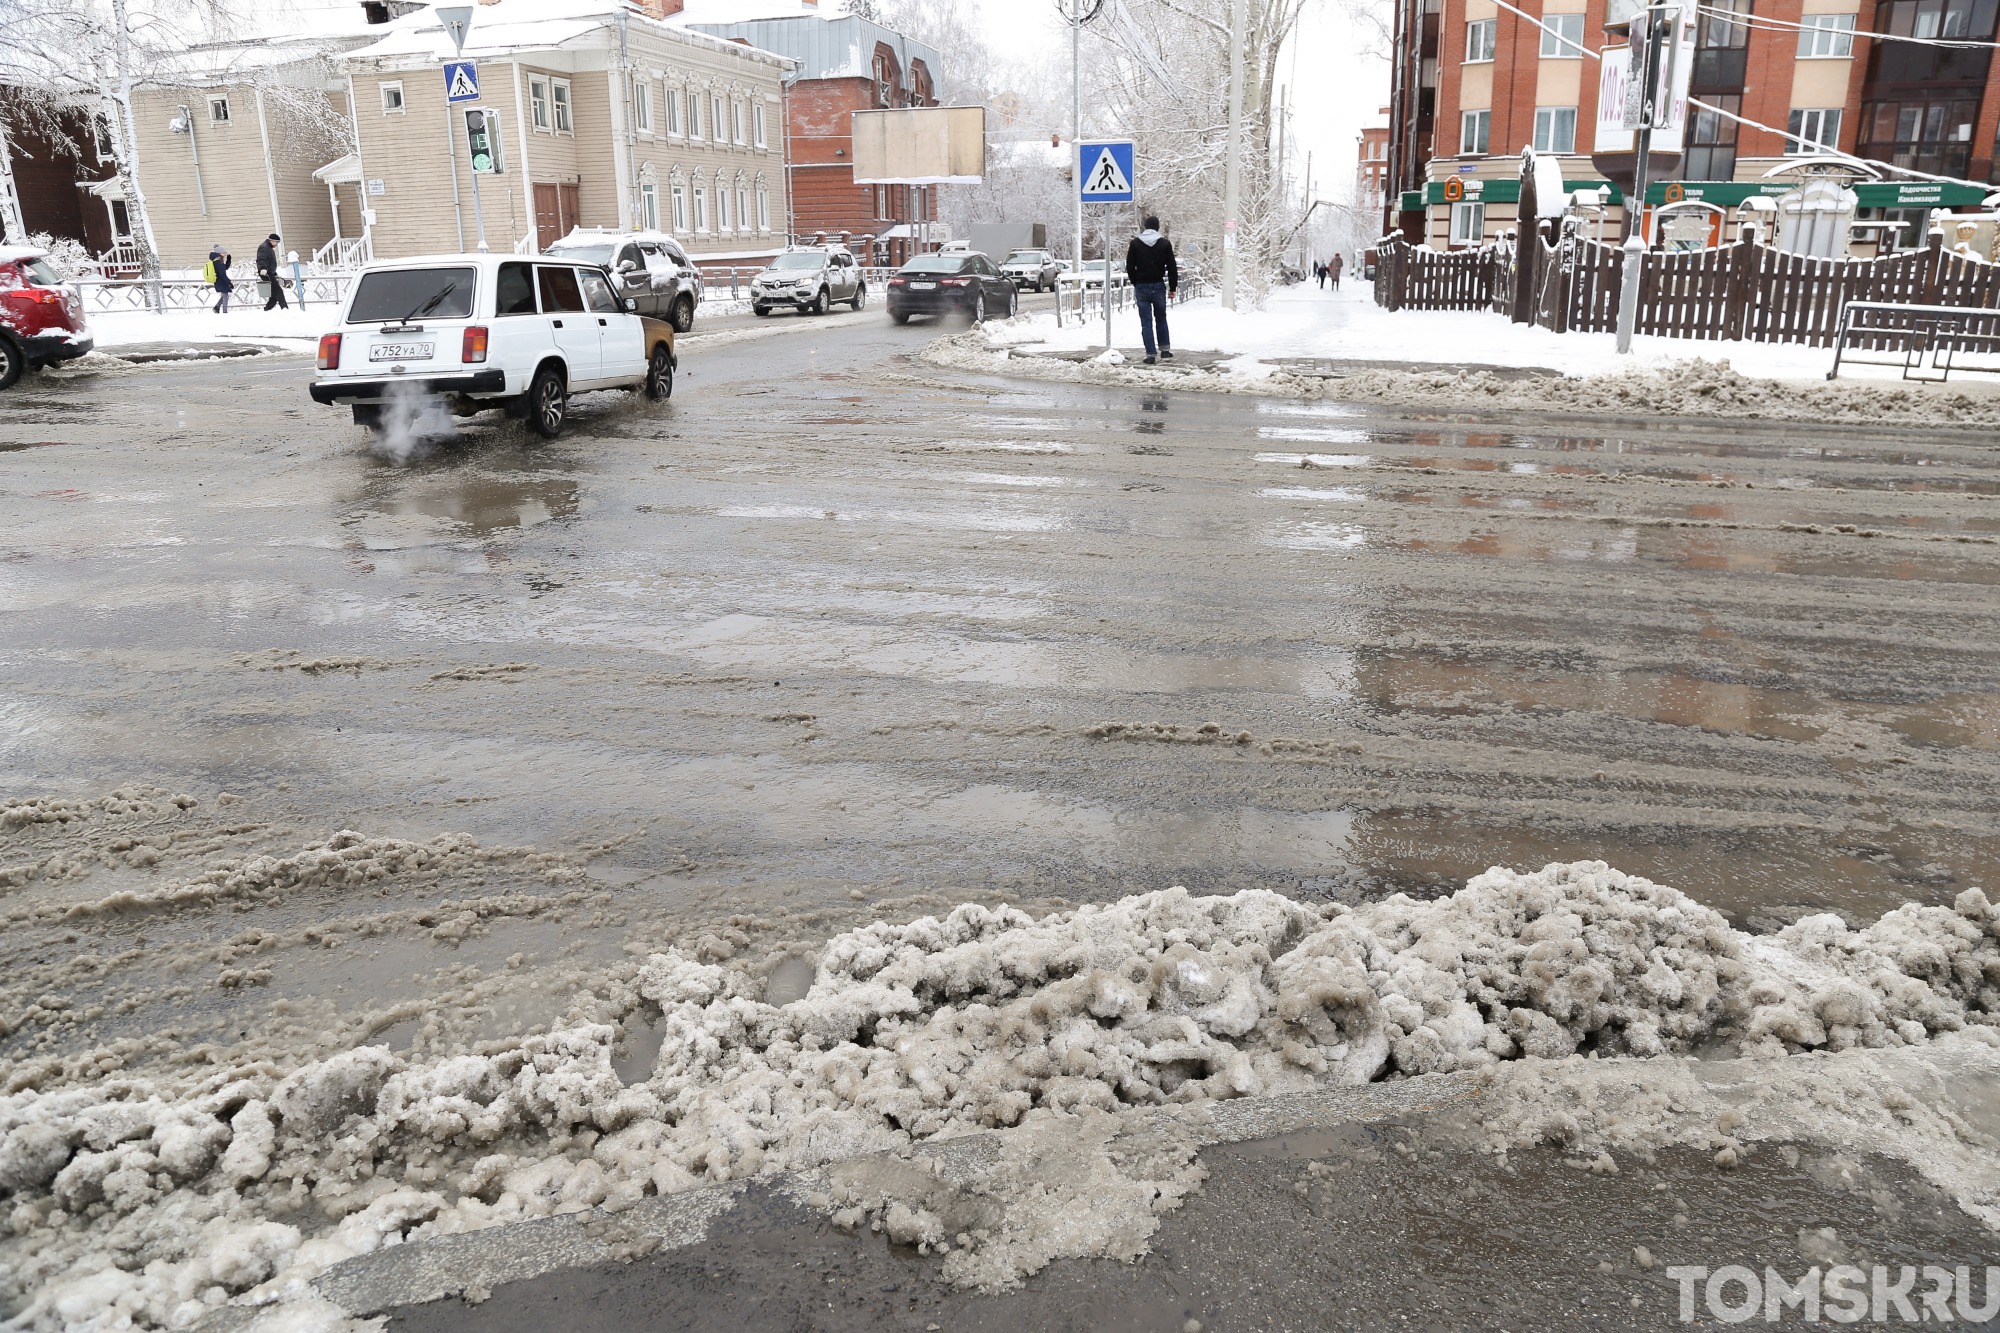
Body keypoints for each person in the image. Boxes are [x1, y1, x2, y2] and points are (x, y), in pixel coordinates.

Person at [1124, 214, 1178, 366]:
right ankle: (1165, 350)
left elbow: (1129, 266)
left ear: (1145, 227)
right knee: (1161, 318)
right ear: (1158, 227)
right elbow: (1172, 267)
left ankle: (1150, 355)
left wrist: (1136, 282)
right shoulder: (1164, 244)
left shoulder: (1135, 244)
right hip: (1158, 285)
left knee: (1146, 322)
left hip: (1142, 286)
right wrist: (1172, 287)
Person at [256, 234, 289, 310]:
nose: (276, 244)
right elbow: (261, 258)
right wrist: (262, 268)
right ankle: (284, 307)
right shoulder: (264, 247)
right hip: (265, 272)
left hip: (269, 272)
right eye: (276, 242)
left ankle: (267, 308)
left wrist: (274, 273)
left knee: (274, 292)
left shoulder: (268, 248)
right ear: (272, 241)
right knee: (278, 290)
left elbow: (269, 261)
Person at [207, 243, 234, 314]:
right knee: (225, 296)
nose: (224, 254)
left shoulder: (217, 261)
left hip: (219, 281)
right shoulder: (218, 262)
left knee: (224, 295)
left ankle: (216, 308)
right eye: (223, 253)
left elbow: (225, 268)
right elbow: (223, 274)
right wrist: (229, 283)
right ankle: (225, 312)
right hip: (221, 281)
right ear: (219, 253)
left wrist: (228, 261)